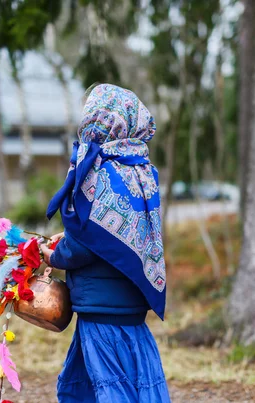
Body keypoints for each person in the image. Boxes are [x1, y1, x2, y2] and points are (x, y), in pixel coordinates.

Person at [40, 83, 170, 403]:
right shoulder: (142, 170)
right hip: (131, 308)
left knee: (109, 391)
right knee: (112, 386)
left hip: (101, 313)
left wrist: (53, 256)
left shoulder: (100, 169)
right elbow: (112, 235)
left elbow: (84, 244)